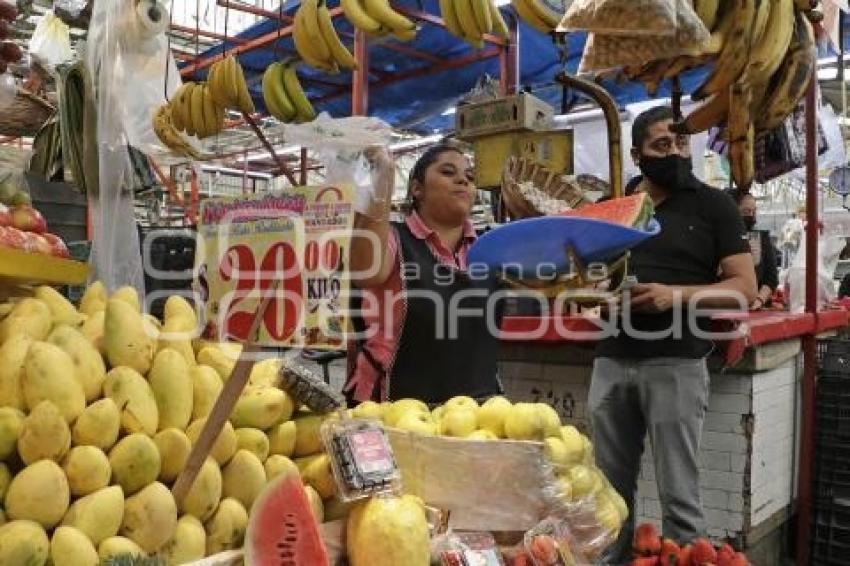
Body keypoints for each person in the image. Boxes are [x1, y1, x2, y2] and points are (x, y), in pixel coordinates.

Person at [590, 106, 757, 562]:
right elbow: (593, 272)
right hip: (611, 357)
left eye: (681, 143)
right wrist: (588, 292)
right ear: (638, 154)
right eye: (661, 145)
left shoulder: (714, 205)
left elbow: (744, 289)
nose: (675, 152)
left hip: (677, 362)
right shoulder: (620, 206)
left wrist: (674, 295)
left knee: (679, 495)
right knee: (608, 490)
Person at [343, 143, 503, 405]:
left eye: (470, 177)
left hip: (476, 413)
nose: (463, 180)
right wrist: (383, 177)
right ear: (417, 189)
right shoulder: (393, 238)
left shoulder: (491, 248)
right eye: (448, 172)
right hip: (392, 411)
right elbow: (366, 271)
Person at [726, 189, 779, 310]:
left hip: (755, 307)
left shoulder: (761, 238)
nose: (750, 216)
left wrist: (759, 300)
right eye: (746, 211)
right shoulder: (718, 238)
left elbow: (771, 278)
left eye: (754, 212)